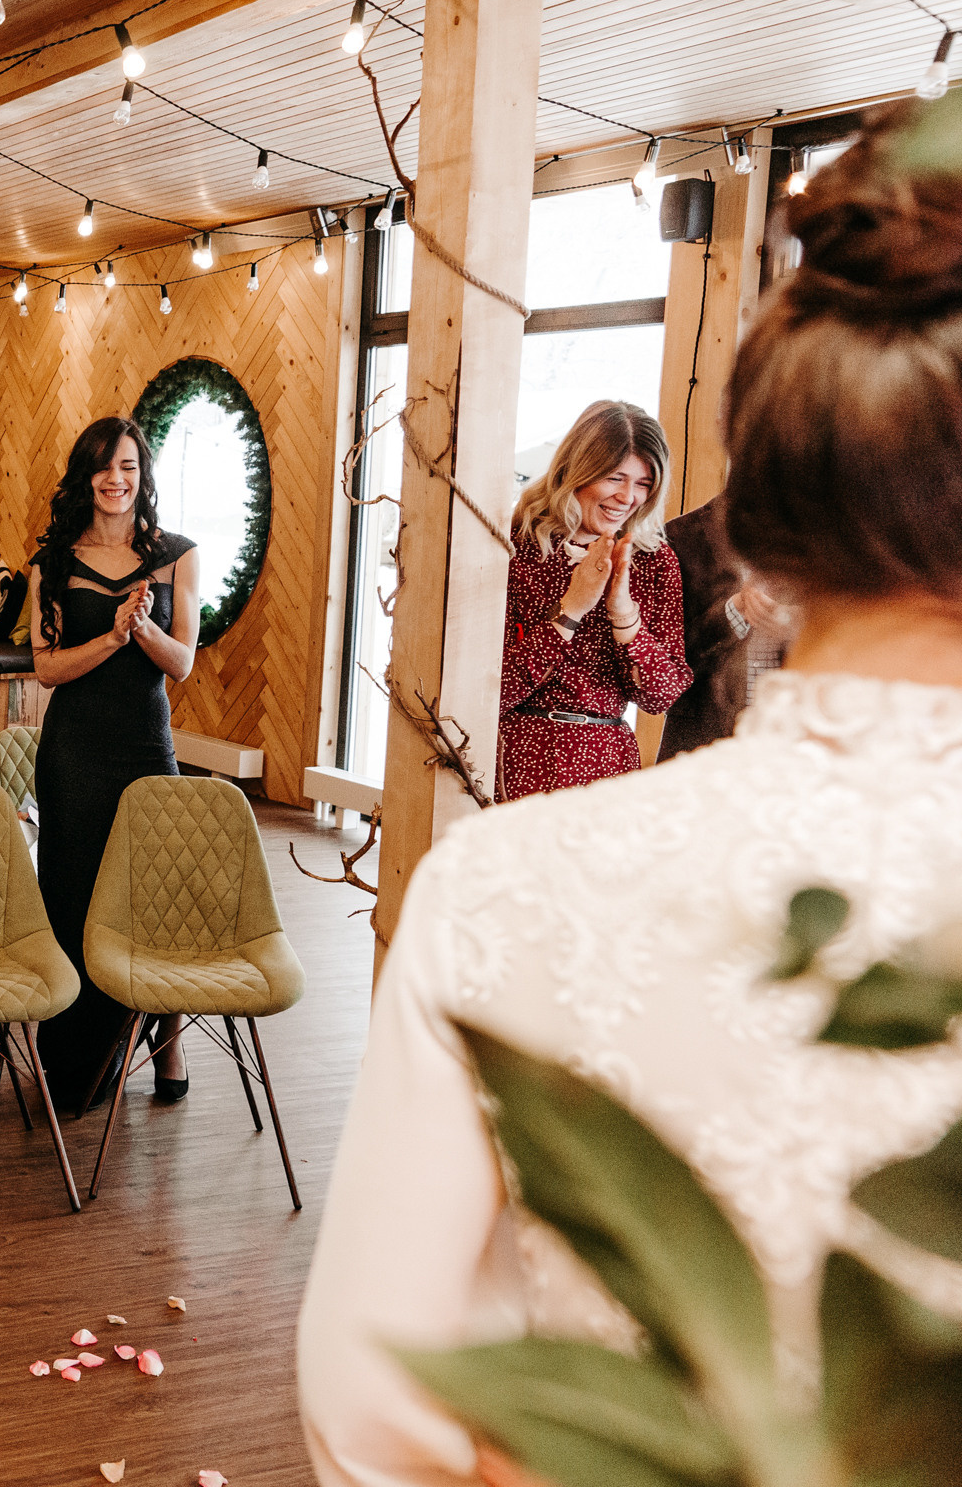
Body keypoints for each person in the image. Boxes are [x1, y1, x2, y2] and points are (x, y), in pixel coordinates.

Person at [296, 96, 962, 1487]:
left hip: (600, 755)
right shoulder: (534, 557)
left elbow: (375, 1418)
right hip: (534, 754)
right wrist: (568, 604)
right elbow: (489, 665)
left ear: (760, 527)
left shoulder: (497, 899)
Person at [23, 417, 200, 1112]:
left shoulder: (177, 556)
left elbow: (181, 664)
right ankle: (75, 1061)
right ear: (84, 476)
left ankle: (168, 1038)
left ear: (142, 473)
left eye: (128, 465)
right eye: (102, 466)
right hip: (74, 750)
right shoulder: (53, 563)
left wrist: (145, 630)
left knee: (153, 899)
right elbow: (45, 669)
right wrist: (112, 636)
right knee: (73, 899)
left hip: (145, 748)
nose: (115, 479)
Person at [494, 401, 692, 800]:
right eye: (615, 477)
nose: (627, 497)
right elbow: (495, 689)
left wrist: (624, 615)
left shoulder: (654, 561)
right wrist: (571, 610)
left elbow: (661, 696)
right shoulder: (517, 549)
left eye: (643, 483)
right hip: (522, 756)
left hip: (608, 763)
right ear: (576, 472)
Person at [657, 490, 792, 758]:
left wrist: (804, 626)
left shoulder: (832, 539)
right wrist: (733, 611)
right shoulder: (681, 537)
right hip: (704, 749)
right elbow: (665, 664)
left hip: (792, 747)